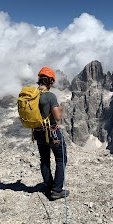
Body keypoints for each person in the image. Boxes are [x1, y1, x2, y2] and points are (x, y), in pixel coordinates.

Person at [33, 66, 69, 200]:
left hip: (38, 133)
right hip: (52, 133)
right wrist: (60, 108)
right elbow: (57, 117)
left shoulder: (33, 95)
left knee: (44, 159)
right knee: (61, 159)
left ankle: (48, 186)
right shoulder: (50, 96)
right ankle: (56, 190)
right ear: (50, 81)